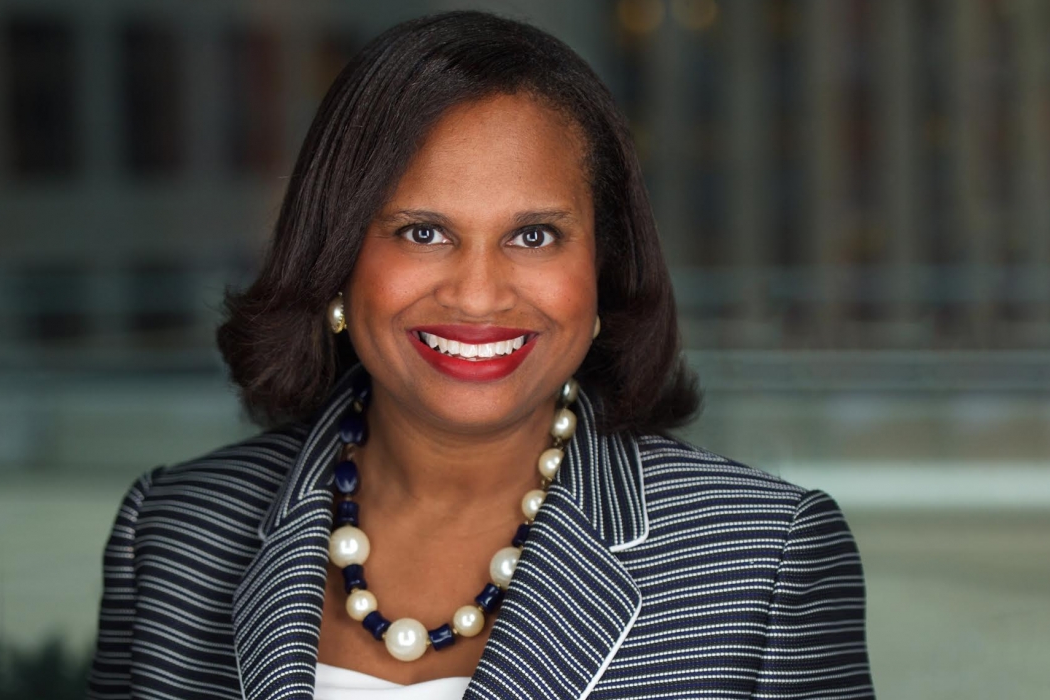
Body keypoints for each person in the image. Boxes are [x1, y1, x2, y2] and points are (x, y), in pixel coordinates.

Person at [86, 10, 874, 700]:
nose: (477, 294)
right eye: (422, 232)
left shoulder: (763, 559)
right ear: (337, 257)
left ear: (601, 265)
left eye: (533, 236)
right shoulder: (174, 530)